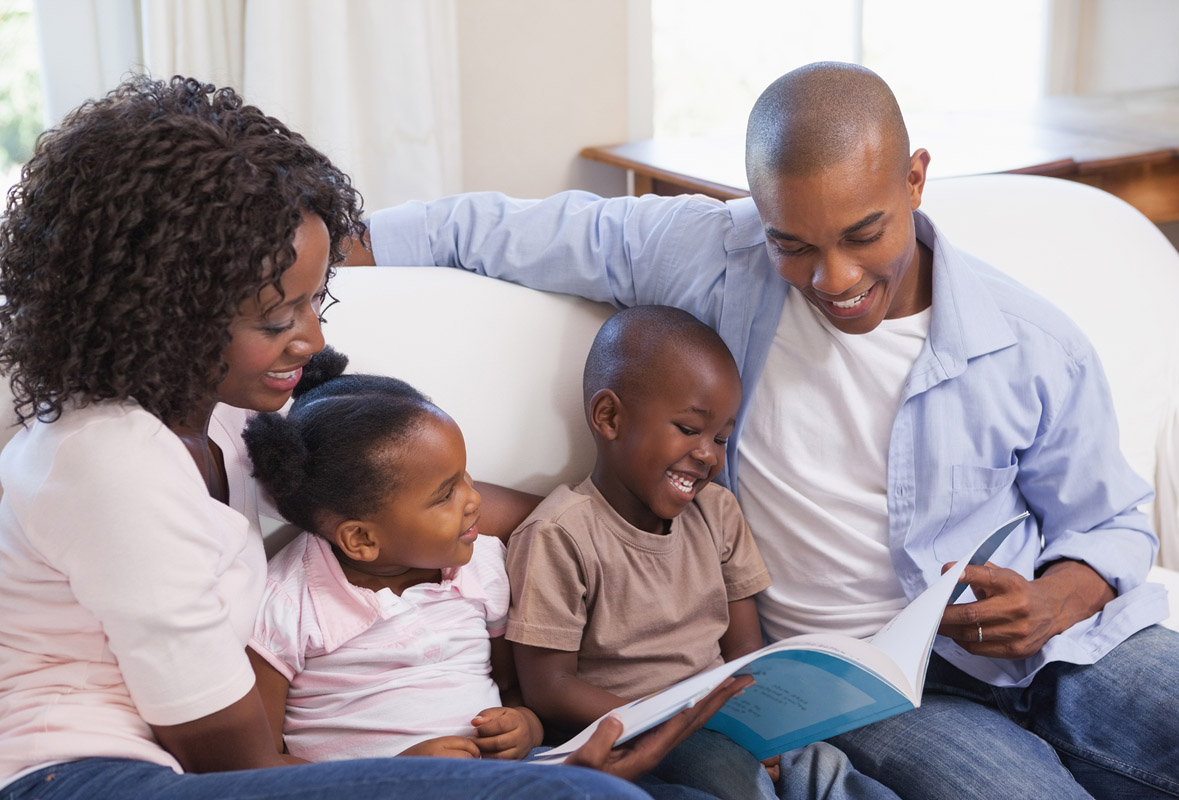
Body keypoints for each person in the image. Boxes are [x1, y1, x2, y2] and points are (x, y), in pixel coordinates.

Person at [348, 62, 1179, 799]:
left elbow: (1111, 520)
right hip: (871, 689)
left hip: (1061, 643)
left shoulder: (1030, 342)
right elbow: (515, 230)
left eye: (864, 235)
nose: (833, 279)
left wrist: (1057, 596)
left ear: (915, 179)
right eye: (793, 243)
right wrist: (335, 247)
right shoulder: (718, 257)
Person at [0, 74, 750, 800]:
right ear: (165, 315)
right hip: (81, 774)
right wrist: (514, 778)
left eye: (311, 303)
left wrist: (601, 528)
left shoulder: (217, 410)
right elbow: (235, 766)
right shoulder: (110, 467)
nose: (310, 338)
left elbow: (403, 493)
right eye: (276, 320)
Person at [507, 304, 898, 800]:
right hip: (638, 733)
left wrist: (765, 728)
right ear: (609, 417)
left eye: (721, 438)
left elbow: (743, 651)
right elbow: (549, 689)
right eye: (689, 430)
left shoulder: (716, 511)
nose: (709, 454)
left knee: (824, 766)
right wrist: (676, 720)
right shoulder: (559, 534)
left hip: (724, 719)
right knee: (726, 778)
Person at [243, 348, 542, 762]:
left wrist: (526, 726)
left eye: (465, 476)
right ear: (362, 539)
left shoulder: (480, 565)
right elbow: (257, 761)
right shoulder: (284, 605)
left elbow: (511, 689)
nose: (474, 499)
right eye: (446, 494)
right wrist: (398, 776)